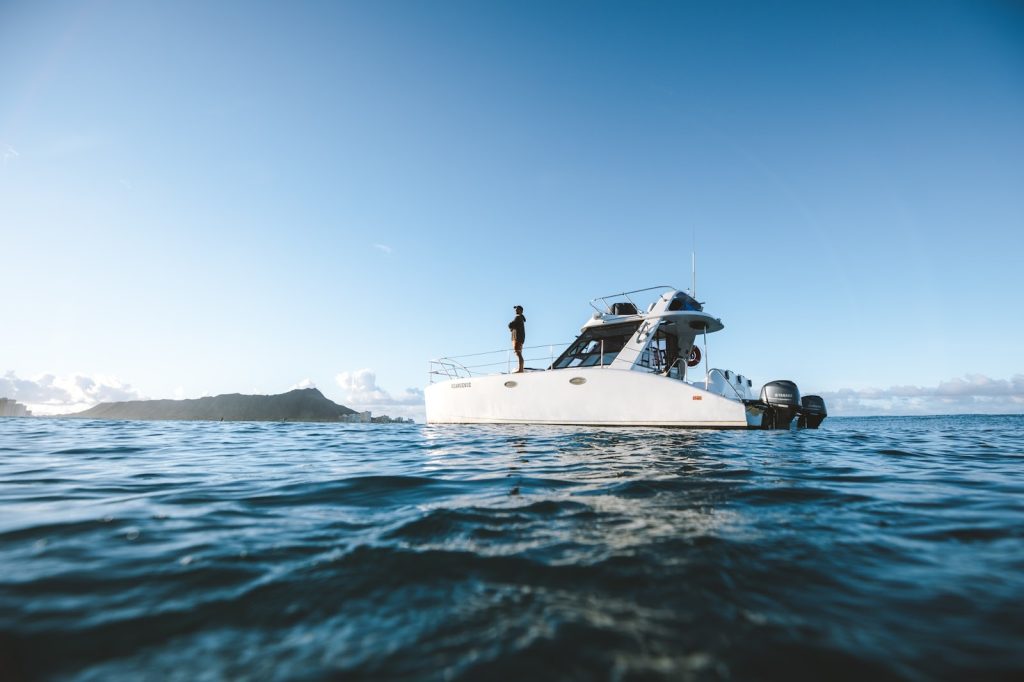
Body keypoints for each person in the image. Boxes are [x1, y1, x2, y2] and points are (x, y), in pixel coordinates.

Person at [508, 305, 526, 373]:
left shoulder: (518, 317)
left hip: (517, 338)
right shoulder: (520, 318)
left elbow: (510, 325)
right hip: (520, 338)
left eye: (517, 309)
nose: (515, 310)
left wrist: (511, 326)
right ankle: (520, 368)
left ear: (521, 311)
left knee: (518, 353)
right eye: (515, 309)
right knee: (519, 353)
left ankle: (520, 369)